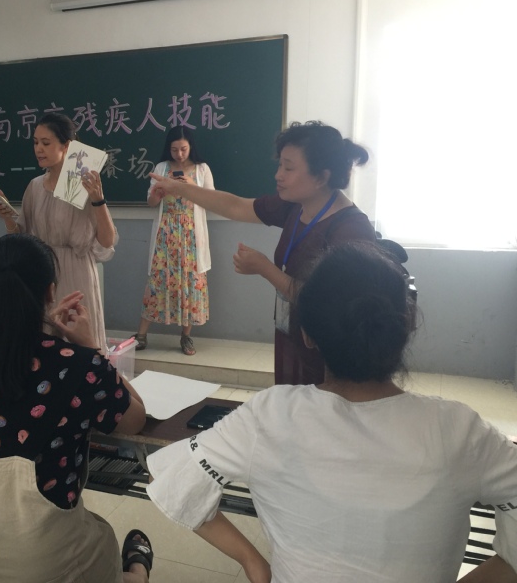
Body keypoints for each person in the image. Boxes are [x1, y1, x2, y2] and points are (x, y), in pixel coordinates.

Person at [146, 243, 517, 583]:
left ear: (307, 334)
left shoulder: (270, 416)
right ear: (406, 325)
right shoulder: (459, 430)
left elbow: (173, 480)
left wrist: (252, 561)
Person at [0, 234, 152, 583]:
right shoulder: (78, 365)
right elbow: (135, 419)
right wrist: (92, 348)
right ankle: (137, 571)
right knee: (101, 538)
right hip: (40, 556)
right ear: (50, 292)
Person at [150, 121, 376, 384]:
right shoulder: (295, 206)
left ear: (321, 177)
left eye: (288, 168)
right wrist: (180, 188)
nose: (278, 175)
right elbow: (235, 206)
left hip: (331, 354)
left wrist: (264, 268)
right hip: (293, 332)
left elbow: (327, 302)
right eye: (279, 165)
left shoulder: (351, 230)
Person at [0, 113, 117, 353]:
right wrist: (7, 216)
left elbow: (107, 241)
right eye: (35, 142)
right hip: (42, 272)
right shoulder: (35, 186)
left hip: (76, 272)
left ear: (66, 146)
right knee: (45, 344)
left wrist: (98, 200)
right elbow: (22, 236)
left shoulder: (84, 185)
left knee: (78, 346)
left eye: (46, 143)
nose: (38, 149)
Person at [133, 126, 213, 356]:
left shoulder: (201, 169)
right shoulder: (161, 168)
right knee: (158, 280)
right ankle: (141, 335)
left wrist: (191, 185)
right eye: (175, 149)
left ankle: (186, 337)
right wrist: (158, 193)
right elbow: (151, 203)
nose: (179, 154)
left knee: (190, 281)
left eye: (184, 149)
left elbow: (212, 199)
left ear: (191, 147)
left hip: (191, 235)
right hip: (166, 233)